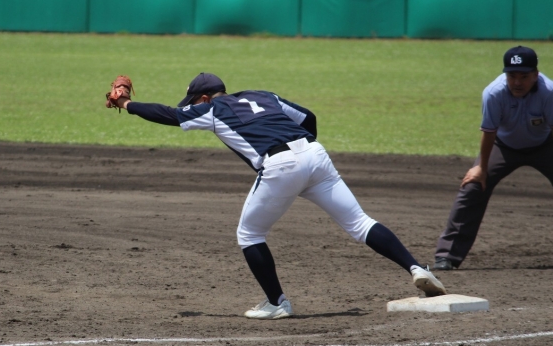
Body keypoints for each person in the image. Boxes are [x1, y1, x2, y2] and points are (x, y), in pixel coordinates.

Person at [106, 72, 447, 319]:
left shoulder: (212, 109)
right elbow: (308, 117)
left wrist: (126, 101)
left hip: (280, 165)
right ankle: (418, 268)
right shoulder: (264, 95)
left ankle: (276, 303)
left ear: (205, 99)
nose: (193, 108)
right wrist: (304, 160)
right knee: (360, 223)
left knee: (249, 234)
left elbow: (169, 115)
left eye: (194, 103)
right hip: (314, 154)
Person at [434, 46, 553, 271]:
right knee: (473, 187)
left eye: (524, 76)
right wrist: (481, 167)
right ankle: (447, 256)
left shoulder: (549, 92)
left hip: (545, 145)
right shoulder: (494, 93)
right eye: (512, 76)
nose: (517, 82)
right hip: (503, 146)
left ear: (536, 75)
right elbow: (489, 133)